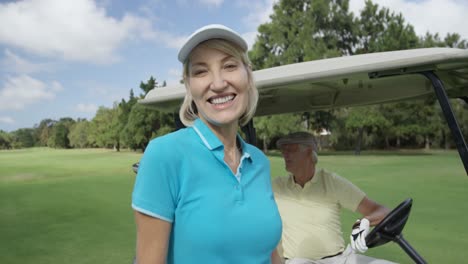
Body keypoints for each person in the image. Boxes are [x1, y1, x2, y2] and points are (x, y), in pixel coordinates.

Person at [131, 24, 283, 264]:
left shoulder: (259, 161)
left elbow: (272, 254)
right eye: (201, 71)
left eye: (230, 66)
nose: (219, 83)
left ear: (248, 74)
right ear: (189, 85)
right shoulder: (164, 154)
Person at [273, 132, 396, 264]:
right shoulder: (276, 186)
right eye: (283, 150)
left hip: (339, 259)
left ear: (309, 152)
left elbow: (383, 211)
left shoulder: (332, 182)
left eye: (291, 149)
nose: (285, 154)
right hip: (298, 261)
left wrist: (365, 221)